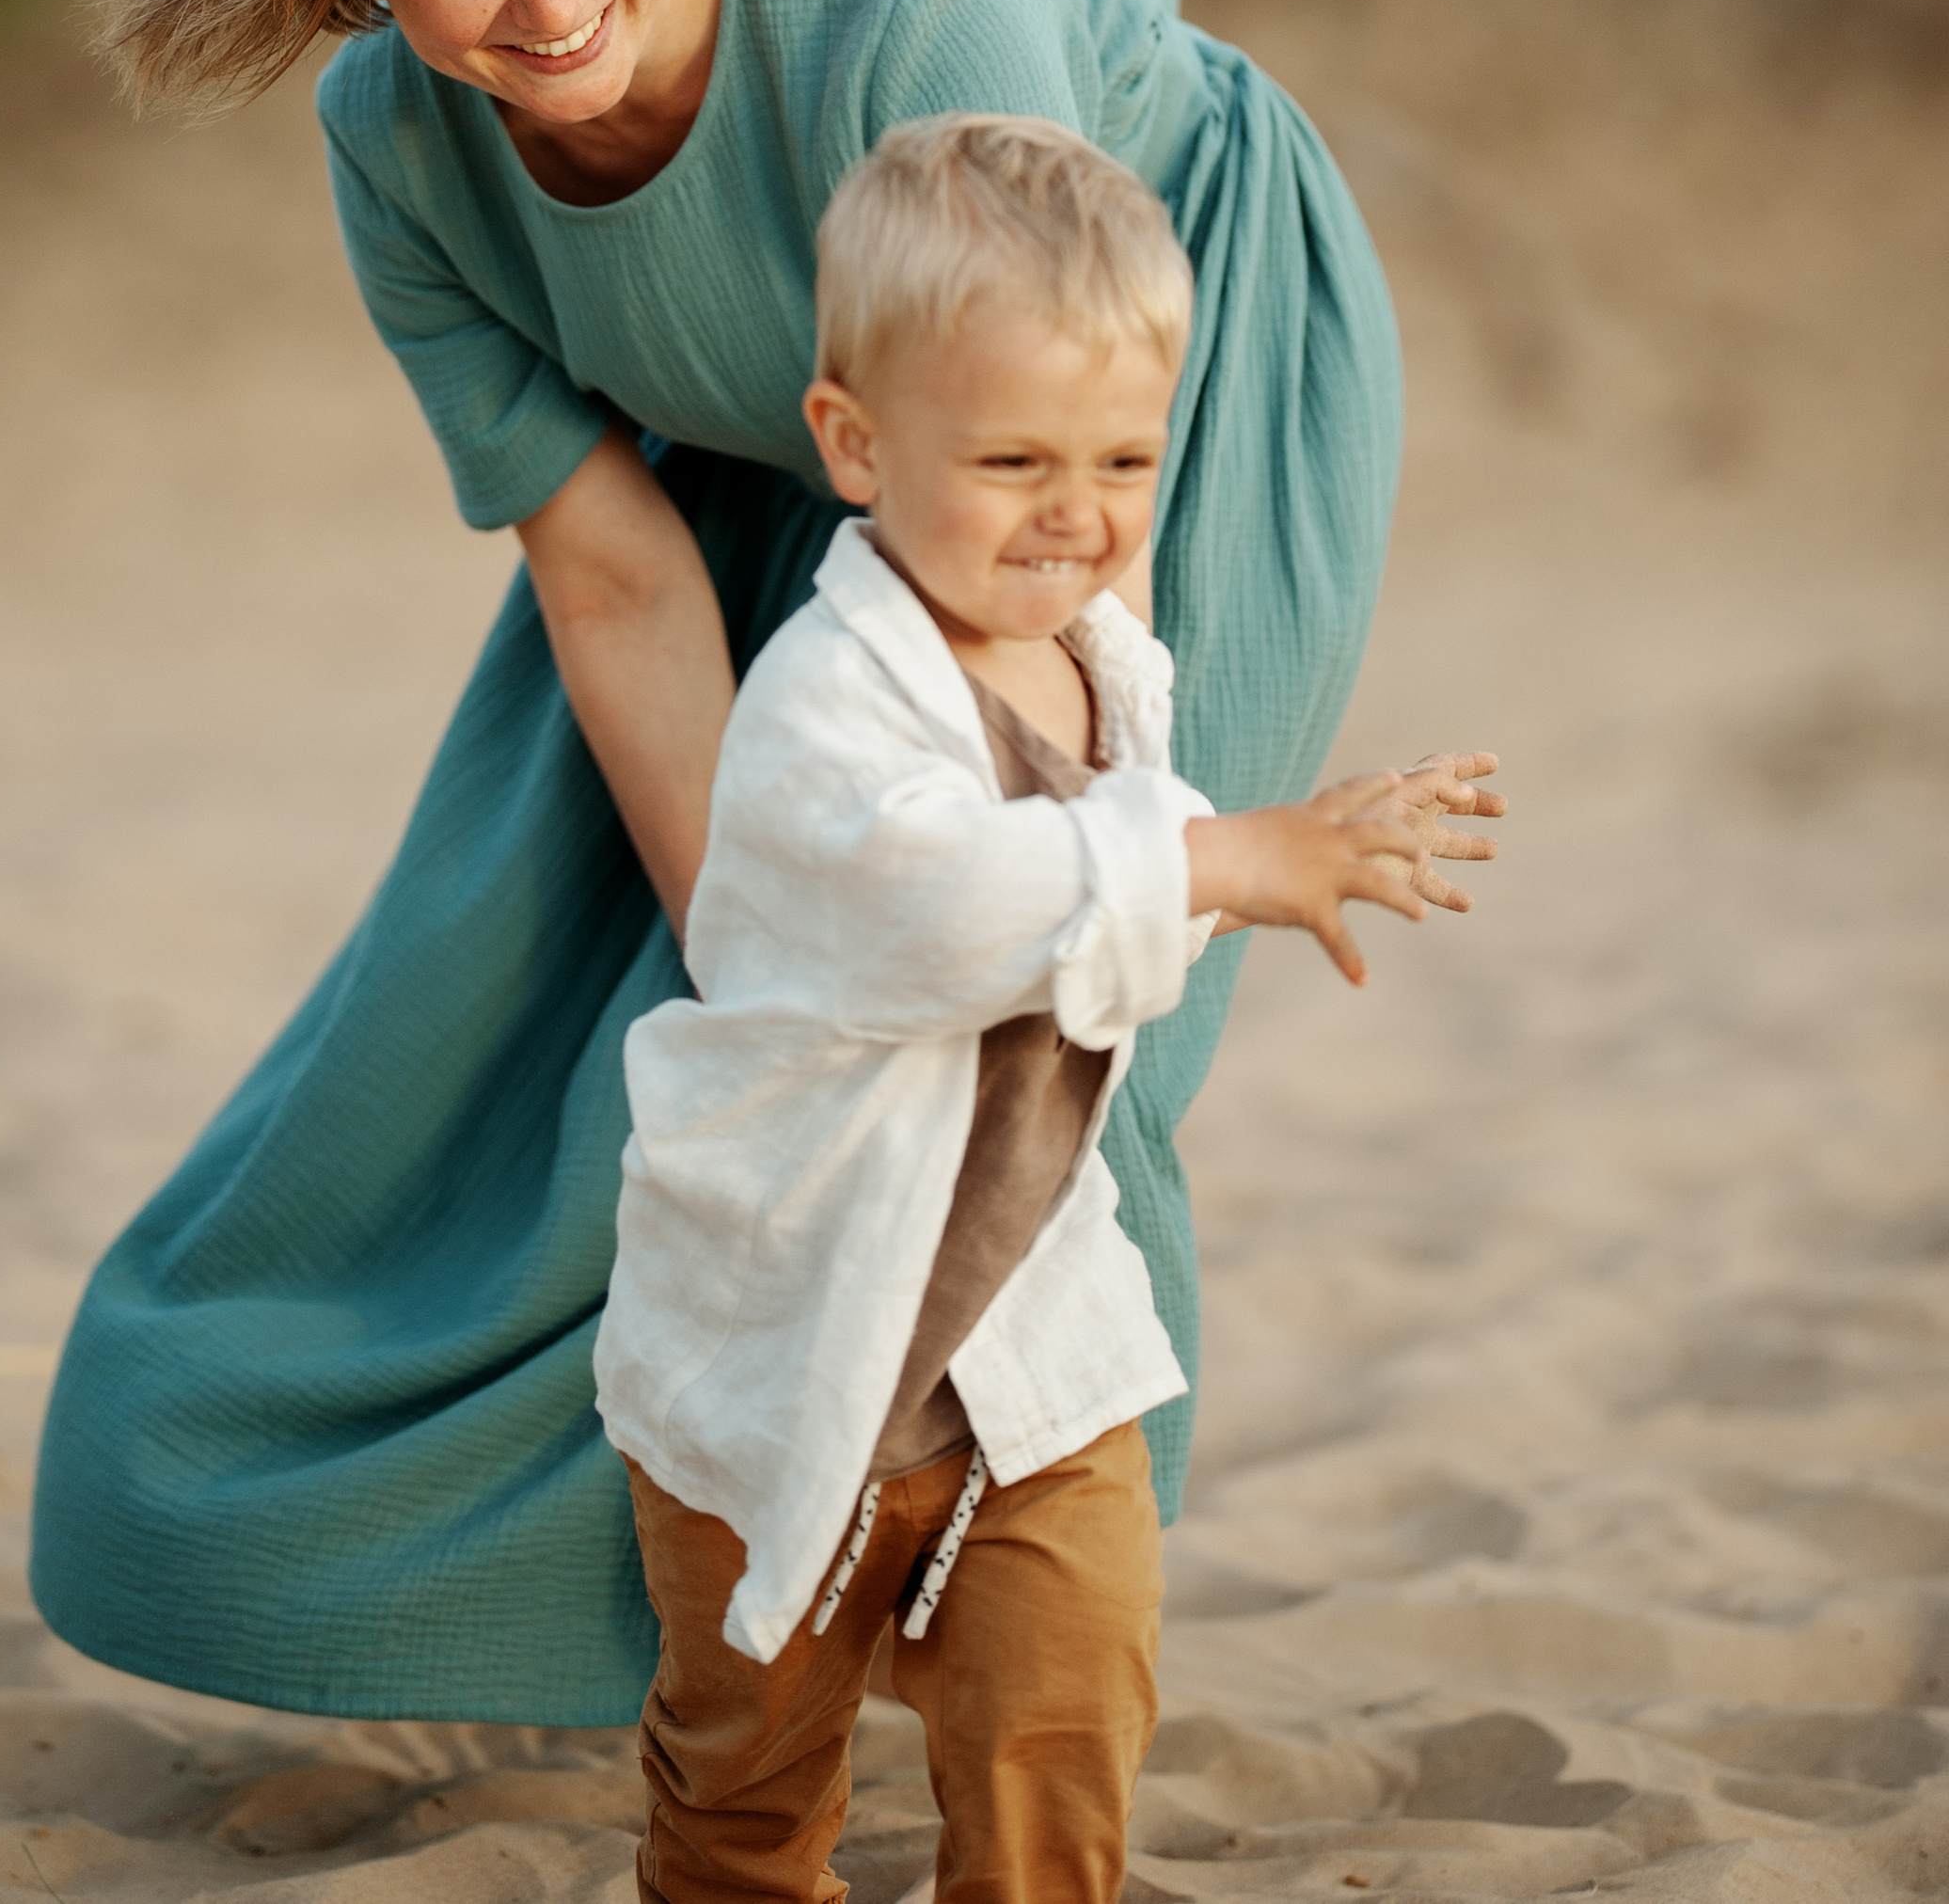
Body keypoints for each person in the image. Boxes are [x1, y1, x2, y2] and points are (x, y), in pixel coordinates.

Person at [28, 0, 1402, 1726]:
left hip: (1108, 410)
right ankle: (745, 1632)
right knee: (654, 1065)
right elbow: (607, 566)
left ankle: (1024, 1670)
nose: (550, 4)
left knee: (1047, 986)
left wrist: (953, 916)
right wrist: (769, 956)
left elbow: (1038, 506)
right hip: (772, 454)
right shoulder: (396, 140)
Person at [599, 113, 1500, 1903]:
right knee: (747, 1782)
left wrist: (1240, 855)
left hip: (1031, 1352)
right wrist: (1223, 859)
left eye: (1123, 459)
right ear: (854, 445)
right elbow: (947, 908)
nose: (1075, 513)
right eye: (1010, 458)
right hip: (790, 1349)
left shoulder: (1109, 661)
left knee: (1063, 1722)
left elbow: (1108, 933)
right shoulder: (822, 706)